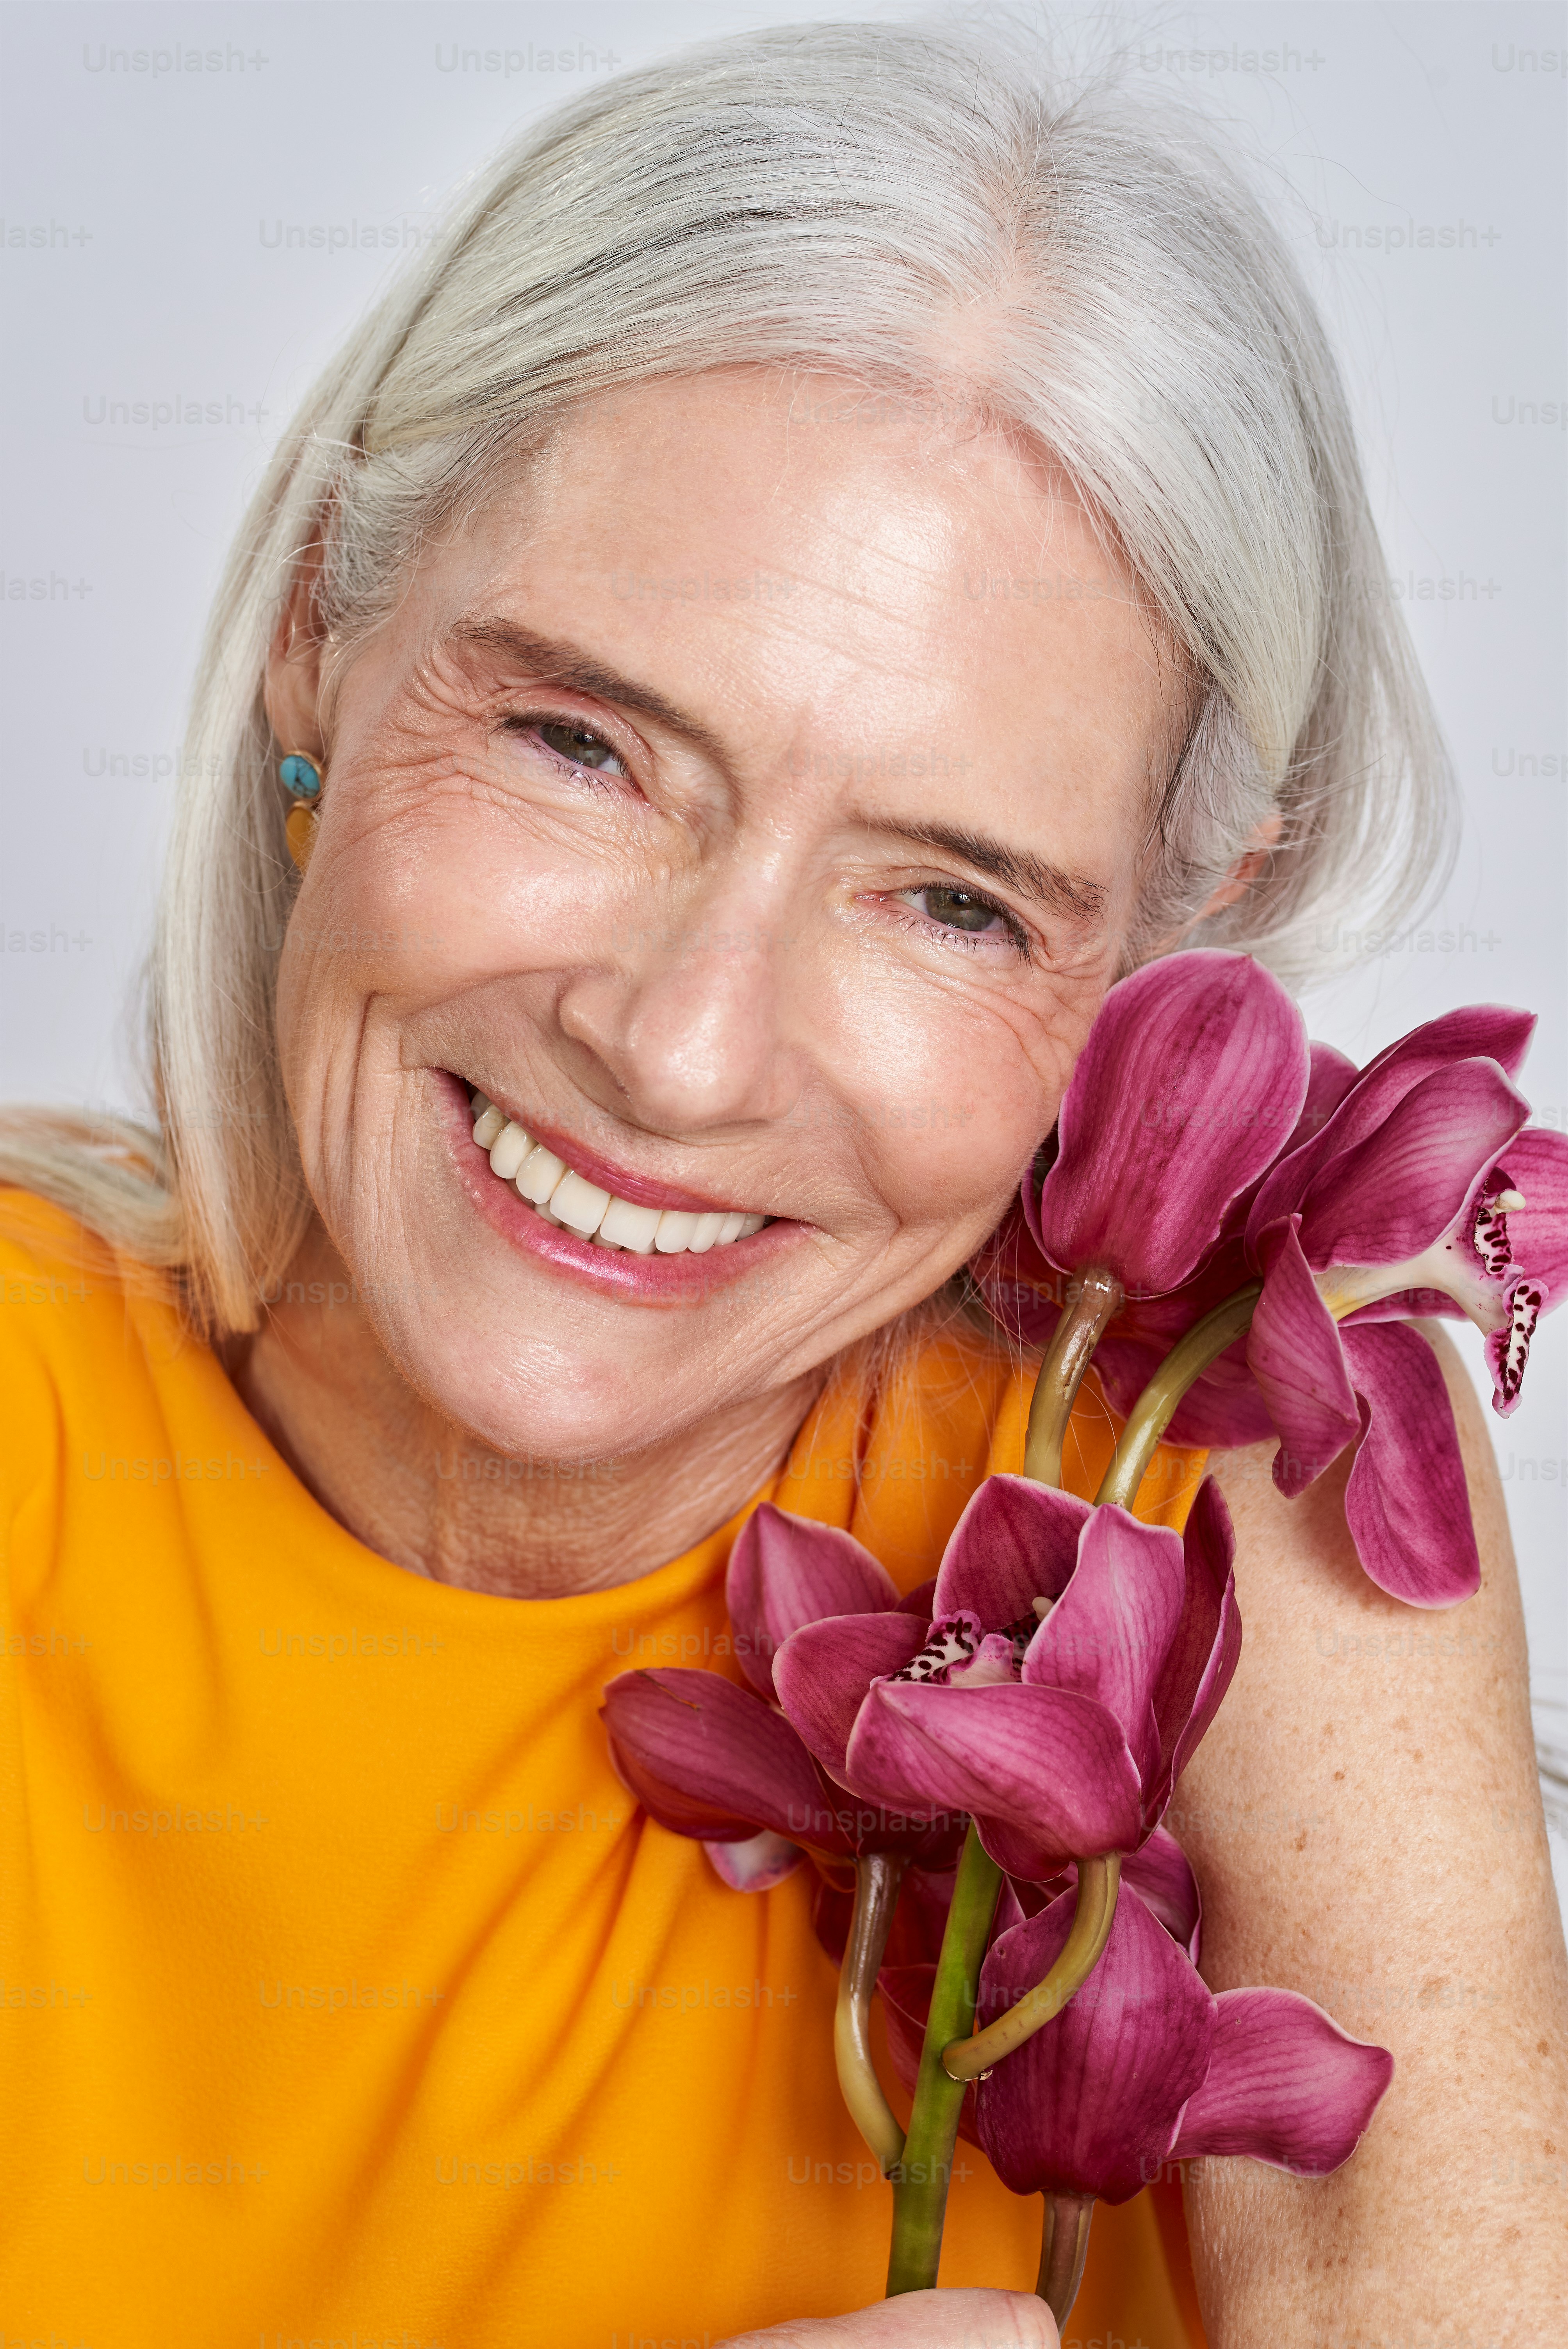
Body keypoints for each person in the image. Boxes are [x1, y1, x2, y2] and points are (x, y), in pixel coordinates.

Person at [2, 21, 1562, 2345]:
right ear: (327, 611)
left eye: (951, 897)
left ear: (1168, 935)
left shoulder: (1173, 1502)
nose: (677, 1045)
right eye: (582, 744)